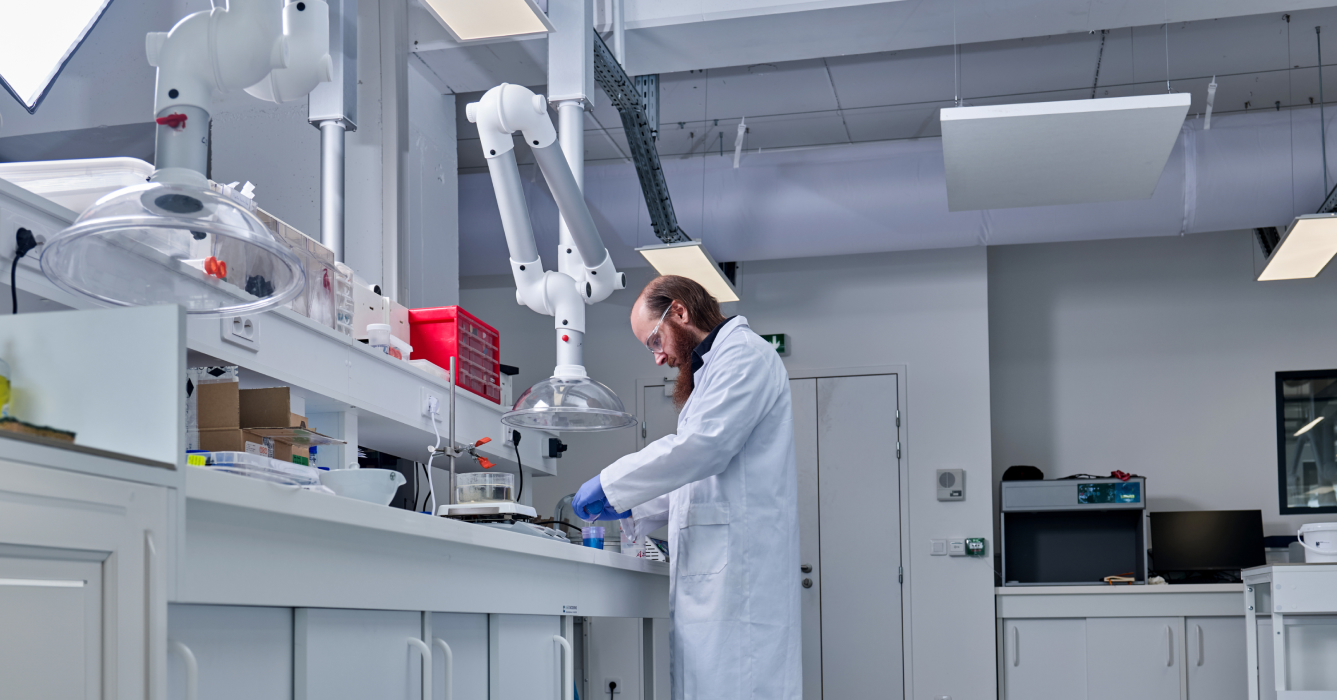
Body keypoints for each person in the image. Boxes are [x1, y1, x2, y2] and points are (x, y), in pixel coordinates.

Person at [572, 275, 801, 700]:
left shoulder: (745, 356)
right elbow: (698, 477)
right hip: (718, 581)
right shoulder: (713, 370)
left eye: (654, 342)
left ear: (679, 312)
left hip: (741, 586)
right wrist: (633, 507)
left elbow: (702, 449)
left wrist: (611, 483)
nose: (657, 358)